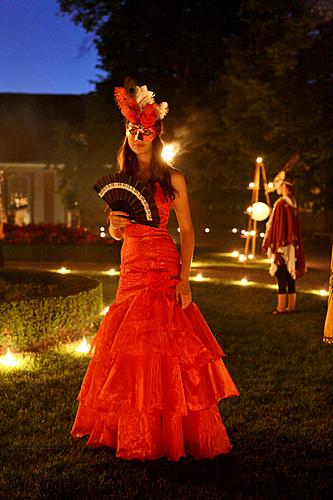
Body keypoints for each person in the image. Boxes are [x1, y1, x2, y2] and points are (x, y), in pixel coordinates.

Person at [71, 79, 239, 461]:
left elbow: (189, 231)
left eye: (144, 130)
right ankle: (132, 430)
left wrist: (185, 277)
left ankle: (170, 430)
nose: (137, 136)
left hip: (161, 263)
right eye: (132, 130)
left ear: (156, 133)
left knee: (165, 345)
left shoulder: (173, 177)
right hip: (129, 263)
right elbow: (117, 231)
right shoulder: (122, 173)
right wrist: (114, 225)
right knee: (129, 348)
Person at [262, 170, 306, 314]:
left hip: (282, 245)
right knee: (289, 274)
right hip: (292, 245)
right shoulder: (293, 203)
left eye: (279, 186)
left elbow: (276, 225)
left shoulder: (281, 203)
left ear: (283, 186)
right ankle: (291, 306)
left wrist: (274, 243)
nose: (278, 189)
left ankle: (281, 307)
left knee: (281, 274)